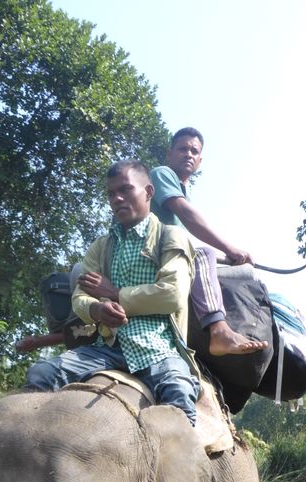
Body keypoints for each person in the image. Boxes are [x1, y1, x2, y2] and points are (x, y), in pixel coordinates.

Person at [26, 159, 200, 425]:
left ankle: (191, 467)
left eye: (126, 190)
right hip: (106, 348)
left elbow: (172, 295)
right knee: (41, 374)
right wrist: (96, 309)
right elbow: (80, 297)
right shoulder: (101, 245)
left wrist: (116, 294)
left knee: (179, 396)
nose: (117, 198)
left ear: (149, 192)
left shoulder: (171, 236)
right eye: (111, 193)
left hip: (159, 349)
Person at [151, 127, 268, 358]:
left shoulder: (183, 189)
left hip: (170, 253)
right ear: (169, 153)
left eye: (194, 151)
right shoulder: (162, 174)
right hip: (151, 254)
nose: (188, 154)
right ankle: (219, 330)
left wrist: (229, 258)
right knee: (204, 255)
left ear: (200, 160)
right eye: (182, 149)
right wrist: (229, 248)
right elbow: (187, 216)